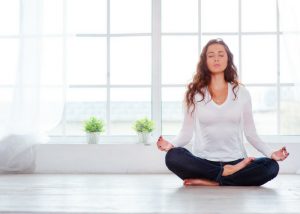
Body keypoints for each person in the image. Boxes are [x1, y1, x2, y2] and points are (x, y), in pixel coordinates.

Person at [156, 38, 289, 186]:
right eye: (211, 55)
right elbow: (186, 133)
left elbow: (251, 134)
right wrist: (171, 145)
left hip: (237, 161)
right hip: (203, 162)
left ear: (228, 59)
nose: (216, 58)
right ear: (205, 61)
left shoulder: (242, 93)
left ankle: (212, 181)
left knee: (271, 167)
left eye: (221, 54)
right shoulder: (194, 94)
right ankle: (223, 176)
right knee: (173, 156)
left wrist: (272, 153)